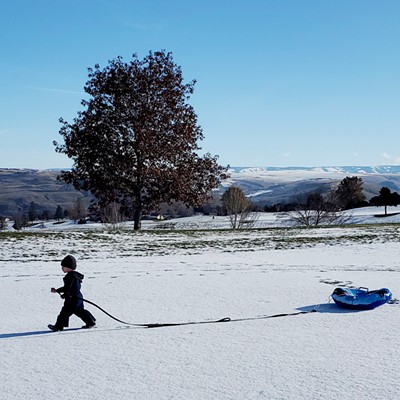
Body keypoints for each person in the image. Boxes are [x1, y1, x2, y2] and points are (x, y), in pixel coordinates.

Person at [48, 255, 96, 331]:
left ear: (68, 267)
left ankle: (58, 326)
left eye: (63, 266)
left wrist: (65, 294)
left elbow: (68, 288)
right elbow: (68, 287)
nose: (62, 268)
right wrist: (57, 290)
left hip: (72, 299)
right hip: (78, 298)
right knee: (80, 311)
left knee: (64, 313)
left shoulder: (70, 277)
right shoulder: (74, 276)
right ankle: (90, 321)